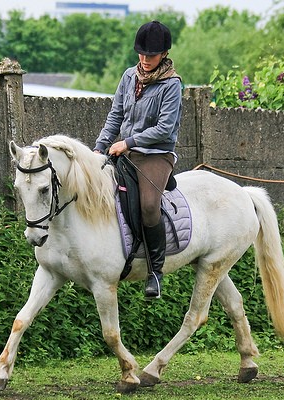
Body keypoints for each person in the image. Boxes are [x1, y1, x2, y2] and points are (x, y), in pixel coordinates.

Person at [93, 20, 182, 299]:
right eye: (141, 54)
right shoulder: (129, 76)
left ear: (164, 54)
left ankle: (155, 271)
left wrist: (128, 142)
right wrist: (99, 148)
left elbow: (164, 129)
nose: (145, 59)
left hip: (156, 154)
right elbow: (115, 116)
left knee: (148, 206)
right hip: (124, 151)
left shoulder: (172, 85)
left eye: (151, 55)